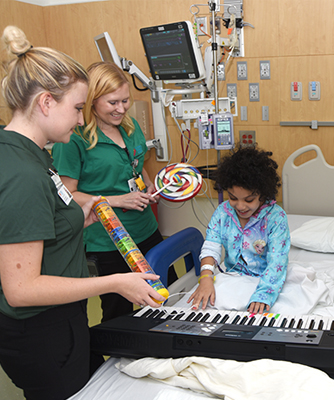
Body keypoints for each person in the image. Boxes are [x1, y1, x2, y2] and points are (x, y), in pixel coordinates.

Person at [0, 26, 164, 400]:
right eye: (76, 108)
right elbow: (21, 289)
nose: (80, 119)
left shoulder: (31, 154)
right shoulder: (21, 173)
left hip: (63, 319)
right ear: (45, 103)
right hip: (40, 331)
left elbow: (48, 214)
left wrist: (79, 215)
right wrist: (114, 283)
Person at [52, 62, 172, 322]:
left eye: (125, 101)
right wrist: (117, 200)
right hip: (108, 240)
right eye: (113, 103)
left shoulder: (129, 127)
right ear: (92, 101)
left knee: (166, 295)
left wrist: (148, 184)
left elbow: (138, 164)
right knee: (120, 310)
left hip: (146, 229)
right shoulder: (74, 139)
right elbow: (67, 193)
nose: (121, 109)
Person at [188, 145, 290, 314]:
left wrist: (264, 295)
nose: (240, 206)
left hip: (266, 280)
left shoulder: (275, 218)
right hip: (234, 277)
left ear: (263, 194)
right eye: (233, 198)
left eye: (249, 200)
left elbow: (277, 262)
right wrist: (205, 277)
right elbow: (211, 245)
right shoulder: (223, 212)